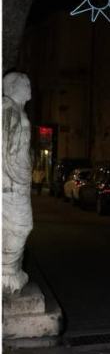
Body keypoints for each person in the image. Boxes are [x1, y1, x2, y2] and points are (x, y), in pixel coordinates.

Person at [2, 72, 33, 295]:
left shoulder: (14, 110)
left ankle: (9, 270)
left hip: (16, 181)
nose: (30, 86)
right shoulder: (8, 110)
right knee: (22, 225)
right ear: (13, 87)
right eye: (25, 83)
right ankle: (7, 272)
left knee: (15, 226)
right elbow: (7, 150)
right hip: (11, 183)